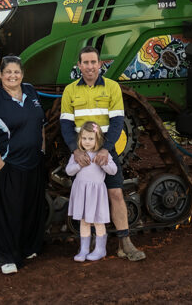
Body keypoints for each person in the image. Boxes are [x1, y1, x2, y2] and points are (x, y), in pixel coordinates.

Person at [60, 46, 146, 261]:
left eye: (93, 62)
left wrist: (106, 149)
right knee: (85, 195)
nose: (90, 67)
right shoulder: (70, 90)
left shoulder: (112, 88)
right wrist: (75, 150)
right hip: (82, 153)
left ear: (100, 64)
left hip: (106, 152)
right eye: (85, 63)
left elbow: (117, 122)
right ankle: (87, 245)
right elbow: (66, 124)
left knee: (116, 194)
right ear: (79, 65)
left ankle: (125, 243)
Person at [0, 55, 48, 274]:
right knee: (8, 212)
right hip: (9, 165)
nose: (12, 76)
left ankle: (27, 248)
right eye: (8, 72)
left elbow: (41, 124)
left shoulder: (30, 91)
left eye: (16, 72)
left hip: (33, 163)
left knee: (30, 207)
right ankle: (7, 256)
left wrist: (42, 150)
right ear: (1, 75)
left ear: (22, 74)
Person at [66, 122, 119, 261]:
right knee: (84, 221)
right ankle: (84, 249)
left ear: (98, 139)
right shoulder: (78, 155)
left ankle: (100, 249)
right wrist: (78, 165)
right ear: (80, 139)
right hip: (82, 192)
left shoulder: (102, 155)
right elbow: (68, 170)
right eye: (84, 138)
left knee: (98, 221)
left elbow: (114, 171)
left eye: (91, 139)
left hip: (96, 194)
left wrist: (104, 163)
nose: (87, 142)